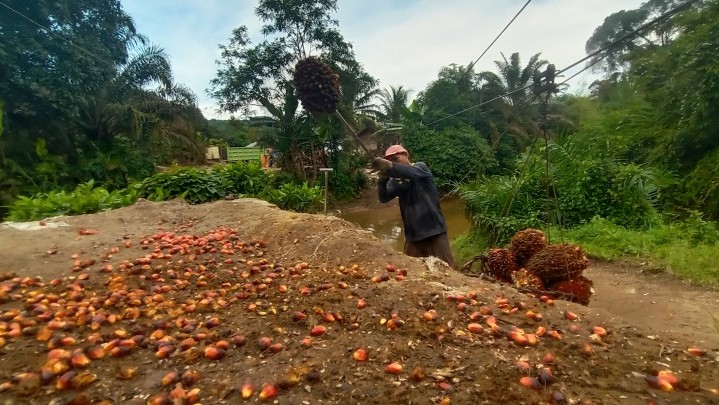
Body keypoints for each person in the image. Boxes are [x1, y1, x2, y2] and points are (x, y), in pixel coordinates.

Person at [371, 144, 456, 269]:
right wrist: (383, 179)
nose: (393, 163)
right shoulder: (396, 181)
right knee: (411, 270)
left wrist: (390, 167)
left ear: (406, 155)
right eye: (390, 161)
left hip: (434, 230)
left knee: (448, 268)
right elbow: (384, 198)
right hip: (413, 235)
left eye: (395, 159)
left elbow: (409, 172)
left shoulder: (420, 168)